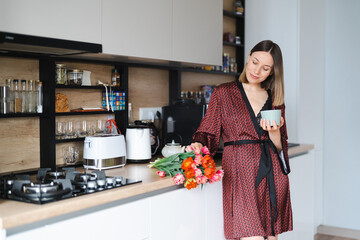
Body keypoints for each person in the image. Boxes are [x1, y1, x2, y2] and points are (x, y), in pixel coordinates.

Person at [186, 40, 292, 240]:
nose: (257, 70)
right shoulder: (223, 93)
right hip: (239, 173)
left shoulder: (275, 98)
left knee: (271, 237)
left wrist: (275, 131)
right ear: (249, 56)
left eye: (265, 68)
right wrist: (199, 144)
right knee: (251, 236)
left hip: (271, 175)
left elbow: (280, 147)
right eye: (255, 62)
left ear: (272, 72)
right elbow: (207, 131)